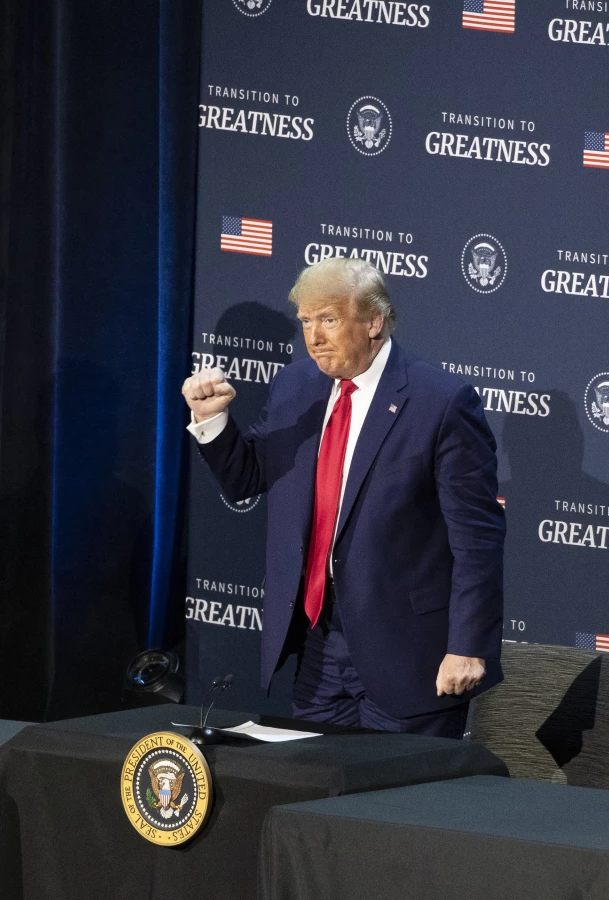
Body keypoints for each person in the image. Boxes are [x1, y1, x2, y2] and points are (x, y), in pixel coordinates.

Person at [182, 257, 505, 737]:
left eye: (328, 319)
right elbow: (246, 478)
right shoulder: (296, 386)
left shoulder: (440, 401)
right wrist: (211, 422)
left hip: (410, 653)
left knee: (396, 807)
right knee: (315, 799)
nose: (313, 336)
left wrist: (467, 646)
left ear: (373, 321)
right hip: (317, 648)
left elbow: (477, 541)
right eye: (307, 321)